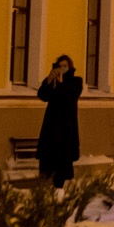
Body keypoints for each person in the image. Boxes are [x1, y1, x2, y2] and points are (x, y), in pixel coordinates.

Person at [35, 55, 83, 185]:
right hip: (51, 126)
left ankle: (60, 188)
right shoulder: (53, 81)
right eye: (60, 66)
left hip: (66, 128)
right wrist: (49, 81)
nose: (62, 69)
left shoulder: (76, 81)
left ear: (69, 67)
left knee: (62, 163)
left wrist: (61, 83)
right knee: (47, 162)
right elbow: (43, 95)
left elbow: (70, 96)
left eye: (64, 66)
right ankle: (47, 184)